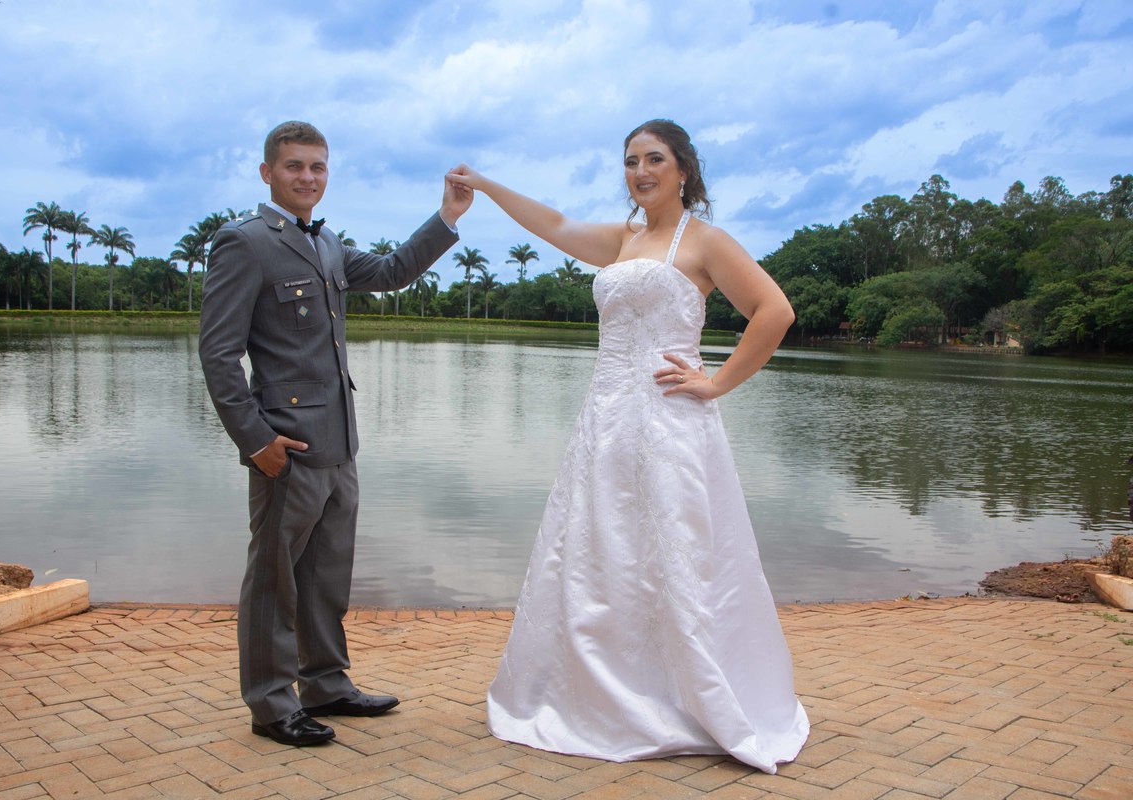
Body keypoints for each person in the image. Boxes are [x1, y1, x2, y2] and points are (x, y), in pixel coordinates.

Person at [446, 119, 809, 771]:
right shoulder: (622, 239)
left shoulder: (705, 241)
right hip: (605, 420)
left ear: (683, 170)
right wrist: (487, 186)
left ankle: (687, 696)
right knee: (602, 553)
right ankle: (605, 698)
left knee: (674, 551)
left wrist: (717, 382)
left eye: (655, 159)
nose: (641, 171)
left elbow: (774, 311)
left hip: (671, 421)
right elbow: (554, 224)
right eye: (631, 160)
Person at [200, 120, 473, 747]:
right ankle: (272, 704)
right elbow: (218, 354)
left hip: (339, 442)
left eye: (317, 166)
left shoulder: (326, 244)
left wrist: (447, 216)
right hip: (286, 447)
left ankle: (324, 683)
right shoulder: (245, 243)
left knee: (325, 576)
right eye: (294, 166)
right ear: (267, 172)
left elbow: (393, 270)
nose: (308, 177)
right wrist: (254, 440)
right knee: (274, 579)